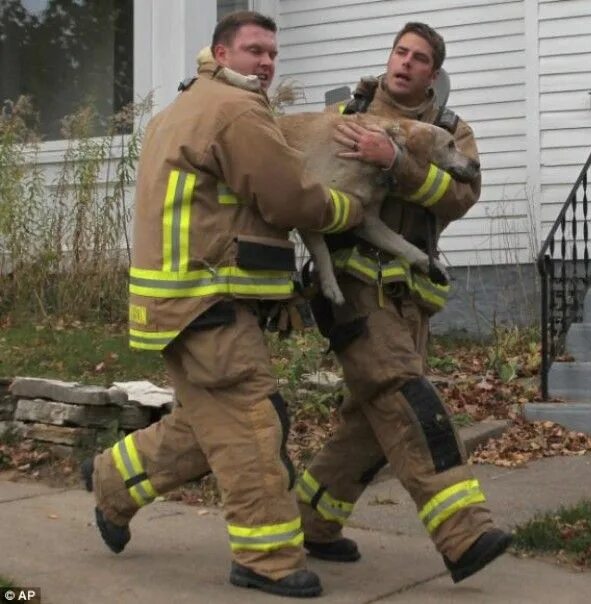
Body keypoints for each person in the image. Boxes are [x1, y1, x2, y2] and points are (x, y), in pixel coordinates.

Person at [81, 11, 368, 599]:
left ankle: (113, 481)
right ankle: (266, 559)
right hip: (205, 299)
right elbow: (289, 197)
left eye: (272, 54)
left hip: (180, 303)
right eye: (254, 51)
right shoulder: (234, 109)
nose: (265, 63)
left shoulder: (186, 104)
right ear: (221, 52)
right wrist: (348, 211)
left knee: (204, 423)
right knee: (248, 426)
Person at [297, 22, 512, 583]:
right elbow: (307, 186)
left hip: (412, 298)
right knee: (405, 399)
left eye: (418, 58)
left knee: (367, 423)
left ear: (432, 74)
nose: (405, 63)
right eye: (400, 52)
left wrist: (397, 162)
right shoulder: (348, 113)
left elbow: (460, 196)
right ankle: (464, 533)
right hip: (352, 291)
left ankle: (311, 520)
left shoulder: (450, 130)